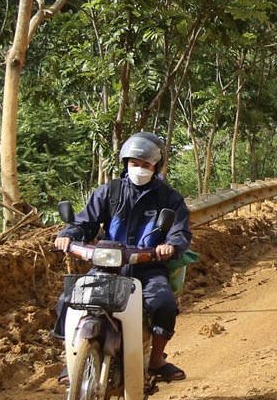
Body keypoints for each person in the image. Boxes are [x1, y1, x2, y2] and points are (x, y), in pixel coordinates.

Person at [55, 131, 193, 382]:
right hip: (107, 265)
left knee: (164, 304)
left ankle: (156, 360)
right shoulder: (109, 192)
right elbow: (85, 222)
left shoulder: (168, 198)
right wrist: (68, 235)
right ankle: (72, 360)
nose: (139, 168)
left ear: (156, 166)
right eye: (134, 163)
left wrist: (170, 245)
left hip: (147, 266)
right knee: (69, 299)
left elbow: (180, 231)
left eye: (145, 164)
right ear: (125, 163)